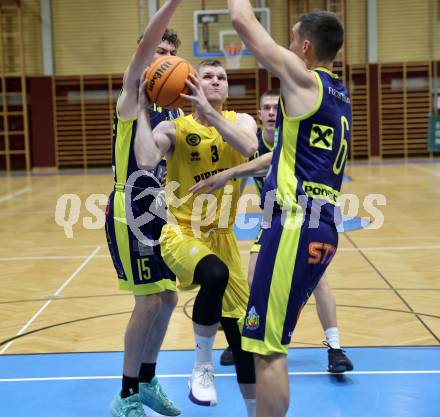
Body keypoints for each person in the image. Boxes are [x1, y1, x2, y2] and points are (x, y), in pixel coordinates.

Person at [205, 4, 350, 416]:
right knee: (264, 342)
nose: (283, 46)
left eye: (289, 39)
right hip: (318, 224)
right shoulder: (337, 96)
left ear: (305, 47)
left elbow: (242, 22)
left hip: (295, 224)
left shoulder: (304, 80)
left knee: (267, 349)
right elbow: (275, 153)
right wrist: (232, 173)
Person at [135, 59, 258, 417]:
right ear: (190, 85)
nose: (216, 81)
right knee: (213, 274)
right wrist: (143, 111)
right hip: (181, 231)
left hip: (224, 238)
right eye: (208, 77)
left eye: (222, 78)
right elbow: (144, 160)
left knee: (243, 340)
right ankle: (201, 366)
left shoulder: (241, 122)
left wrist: (210, 111)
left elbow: (250, 147)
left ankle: (254, 411)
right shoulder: (175, 128)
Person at [219, 90, 353, 374]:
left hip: (304, 215)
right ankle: (243, 335)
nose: (270, 112)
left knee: (319, 281)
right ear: (259, 114)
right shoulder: (250, 145)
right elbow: (242, 182)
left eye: (273, 108)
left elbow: (266, 162)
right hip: (271, 219)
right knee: (253, 278)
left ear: (280, 114)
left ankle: (335, 347)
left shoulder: (292, 140)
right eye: (265, 108)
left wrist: (230, 173)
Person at [105, 2, 183, 417]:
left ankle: (148, 381)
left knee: (168, 298)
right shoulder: (130, 95)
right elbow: (148, 47)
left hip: (157, 206)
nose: (160, 59)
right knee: (148, 302)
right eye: (155, 52)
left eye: (169, 55)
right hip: (127, 206)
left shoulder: (173, 108)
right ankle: (127, 394)